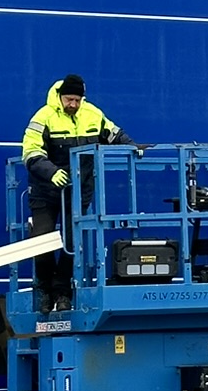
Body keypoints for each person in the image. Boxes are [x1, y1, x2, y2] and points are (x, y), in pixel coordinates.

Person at [21, 74, 132, 309]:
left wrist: (134, 148)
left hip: (78, 191)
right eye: (69, 99)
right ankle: (44, 289)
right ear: (60, 96)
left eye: (77, 100)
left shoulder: (93, 113)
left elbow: (114, 134)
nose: (73, 104)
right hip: (45, 190)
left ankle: (62, 293)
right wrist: (50, 171)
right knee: (42, 240)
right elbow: (30, 151)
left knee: (73, 244)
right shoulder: (44, 117)